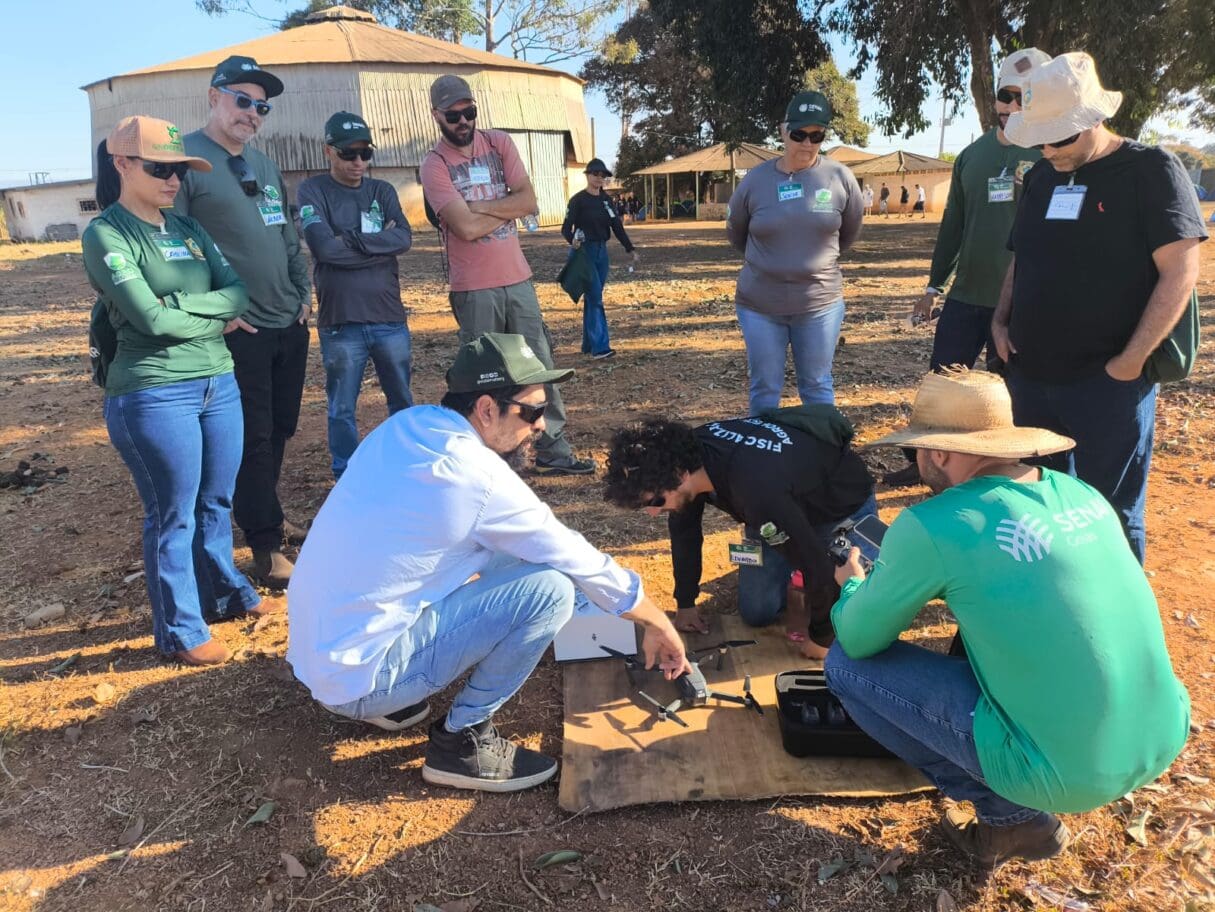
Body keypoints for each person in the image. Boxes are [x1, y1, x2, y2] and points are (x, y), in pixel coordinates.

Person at [286, 332, 690, 792]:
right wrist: (655, 621)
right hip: (362, 679)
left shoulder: (409, 425)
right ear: (485, 408)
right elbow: (575, 556)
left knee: (518, 551)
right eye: (532, 412)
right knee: (551, 589)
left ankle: (395, 692)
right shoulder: (476, 478)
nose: (541, 425)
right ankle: (461, 742)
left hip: (320, 654)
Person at [824, 369, 1189, 866]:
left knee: (844, 667)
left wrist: (852, 583)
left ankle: (1010, 819)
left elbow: (859, 637)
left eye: (916, 451)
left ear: (939, 453)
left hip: (1065, 770)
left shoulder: (934, 522)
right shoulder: (1078, 492)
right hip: (1163, 730)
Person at [994, 51, 1207, 563]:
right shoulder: (1043, 174)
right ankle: (1053, 603)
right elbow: (1022, 256)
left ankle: (1115, 626)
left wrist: (1129, 363)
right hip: (1031, 377)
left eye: (1060, 136)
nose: (1049, 148)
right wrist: (1000, 320)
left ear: (1095, 117)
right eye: (1040, 137)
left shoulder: (1151, 169)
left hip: (1106, 384)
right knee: (1039, 505)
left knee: (1109, 512)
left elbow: (1181, 270)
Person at [82, 116, 272, 666]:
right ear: (122, 164)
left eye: (180, 171)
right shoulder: (107, 234)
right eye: (160, 168)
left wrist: (185, 310)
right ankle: (181, 631)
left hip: (218, 383)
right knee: (172, 514)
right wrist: (208, 314)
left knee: (216, 502)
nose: (173, 180)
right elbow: (150, 322)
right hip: (154, 393)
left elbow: (238, 292)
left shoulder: (187, 230)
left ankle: (225, 594)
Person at [174, 55, 312, 587]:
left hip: (287, 320)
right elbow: (178, 247)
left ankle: (263, 510)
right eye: (242, 100)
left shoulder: (264, 164)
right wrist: (218, 311)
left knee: (279, 427)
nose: (253, 113)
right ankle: (265, 543)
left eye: (262, 106)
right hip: (242, 328)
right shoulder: (186, 160)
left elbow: (285, 234)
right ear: (214, 96)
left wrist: (304, 292)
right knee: (253, 433)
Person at [885, 48, 1049, 489]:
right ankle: (922, 465)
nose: (1011, 107)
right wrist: (933, 287)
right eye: (1005, 96)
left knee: (1009, 393)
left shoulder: (1050, 158)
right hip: (965, 297)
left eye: (1023, 98)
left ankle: (1004, 472)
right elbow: (952, 227)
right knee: (940, 386)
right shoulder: (971, 157)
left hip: (1019, 303)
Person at [420, 74, 595, 476]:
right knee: (483, 376)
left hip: (518, 278)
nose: (463, 122)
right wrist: (504, 206)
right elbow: (462, 229)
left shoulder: (499, 144)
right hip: (472, 287)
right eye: (453, 115)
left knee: (540, 363)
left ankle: (553, 449)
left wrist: (477, 207)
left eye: (469, 112)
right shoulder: (434, 165)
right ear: (437, 116)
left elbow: (529, 201)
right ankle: (487, 458)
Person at [603, 406, 875, 659]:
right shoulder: (689, 455)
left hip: (838, 508)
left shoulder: (755, 489)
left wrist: (820, 641)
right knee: (757, 611)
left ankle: (853, 564)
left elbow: (816, 565)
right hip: (776, 511)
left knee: (848, 597)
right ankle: (791, 564)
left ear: (680, 474)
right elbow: (684, 529)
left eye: (655, 502)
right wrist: (685, 602)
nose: (652, 512)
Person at [725, 90, 863, 412]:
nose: (807, 143)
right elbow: (736, 234)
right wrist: (772, 262)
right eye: (799, 134)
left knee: (817, 386)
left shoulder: (840, 177)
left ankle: (823, 457)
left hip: (819, 305)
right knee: (764, 389)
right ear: (782, 130)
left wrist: (812, 263)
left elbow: (850, 232)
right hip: (759, 306)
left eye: (817, 136)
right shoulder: (754, 181)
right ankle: (764, 457)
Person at [297, 112, 414, 480]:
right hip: (342, 323)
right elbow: (323, 250)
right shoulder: (312, 190)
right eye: (349, 154)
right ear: (328, 151)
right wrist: (375, 247)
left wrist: (348, 239)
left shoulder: (382, 191)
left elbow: (404, 238)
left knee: (402, 401)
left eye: (366, 154)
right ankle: (346, 474)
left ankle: (406, 465)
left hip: (389, 318)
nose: (359, 163)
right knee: (341, 407)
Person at [560, 157, 638, 360]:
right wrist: (572, 241)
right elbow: (566, 228)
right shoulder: (578, 200)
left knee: (593, 298)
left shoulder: (606, 201)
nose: (599, 178)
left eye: (602, 175)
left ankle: (588, 343)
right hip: (584, 253)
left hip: (601, 253)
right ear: (588, 176)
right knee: (595, 297)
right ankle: (600, 347)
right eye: (595, 174)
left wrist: (629, 248)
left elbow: (617, 227)